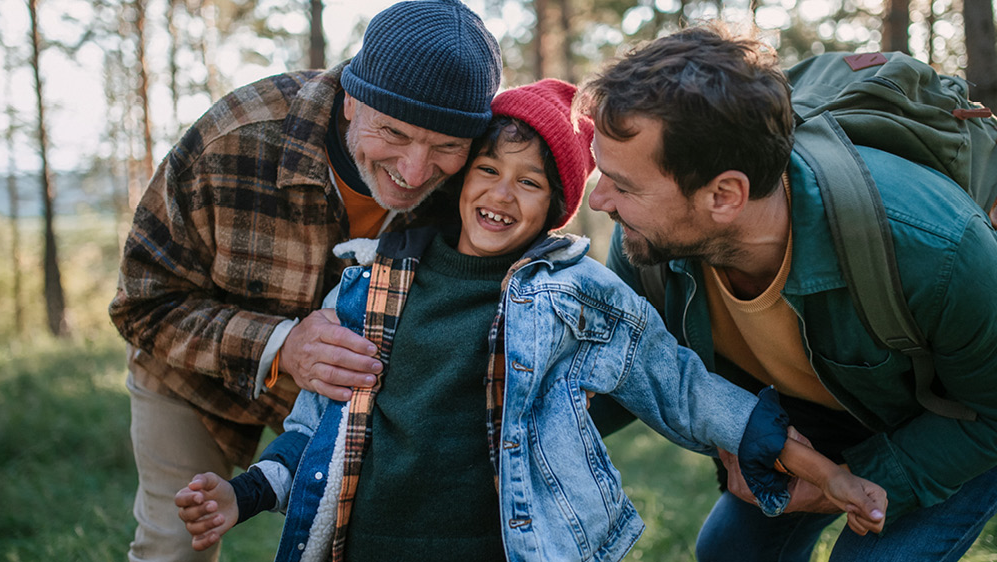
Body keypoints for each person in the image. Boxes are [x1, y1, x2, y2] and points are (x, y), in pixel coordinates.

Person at [173, 79, 887, 562]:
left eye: (532, 182)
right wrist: (239, 498)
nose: (501, 193)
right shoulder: (371, 284)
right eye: (487, 169)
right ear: (460, 176)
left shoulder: (579, 293)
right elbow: (311, 432)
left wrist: (827, 473)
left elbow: (688, 391)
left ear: (557, 206)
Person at [577, 22, 997, 562]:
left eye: (624, 185)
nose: (600, 200)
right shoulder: (652, 245)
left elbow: (988, 410)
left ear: (725, 195)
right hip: (818, 412)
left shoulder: (936, 247)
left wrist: (838, 485)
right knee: (730, 551)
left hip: (950, 421)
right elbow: (620, 374)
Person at [107, 1, 501, 560]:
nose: (415, 172)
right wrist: (283, 344)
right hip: (192, 379)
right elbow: (141, 303)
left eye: (445, 146)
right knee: (175, 542)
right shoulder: (235, 139)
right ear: (350, 99)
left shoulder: (478, 179)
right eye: (394, 133)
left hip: (352, 399)